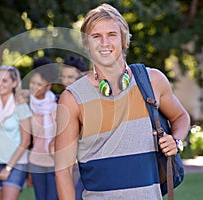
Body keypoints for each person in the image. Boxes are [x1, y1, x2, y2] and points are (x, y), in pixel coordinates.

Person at [55, 3, 190, 200]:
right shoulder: (72, 99)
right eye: (96, 36)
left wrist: (176, 141)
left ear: (124, 39)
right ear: (86, 43)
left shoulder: (152, 80)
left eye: (112, 34)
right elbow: (63, 170)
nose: (104, 42)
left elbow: (180, 116)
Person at [0, 66, 32, 200]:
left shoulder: (21, 105)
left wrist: (8, 168)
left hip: (16, 164)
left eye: (4, 81)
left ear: (14, 83)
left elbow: (26, 141)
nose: (0, 84)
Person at [28, 57, 59, 200]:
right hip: (36, 163)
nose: (34, 87)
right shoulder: (26, 105)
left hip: (55, 164)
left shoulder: (57, 107)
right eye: (32, 82)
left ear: (48, 86)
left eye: (39, 84)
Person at [61, 55, 88, 200]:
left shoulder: (91, 101)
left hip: (87, 162)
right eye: (63, 77)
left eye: (70, 77)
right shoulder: (60, 100)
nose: (65, 81)